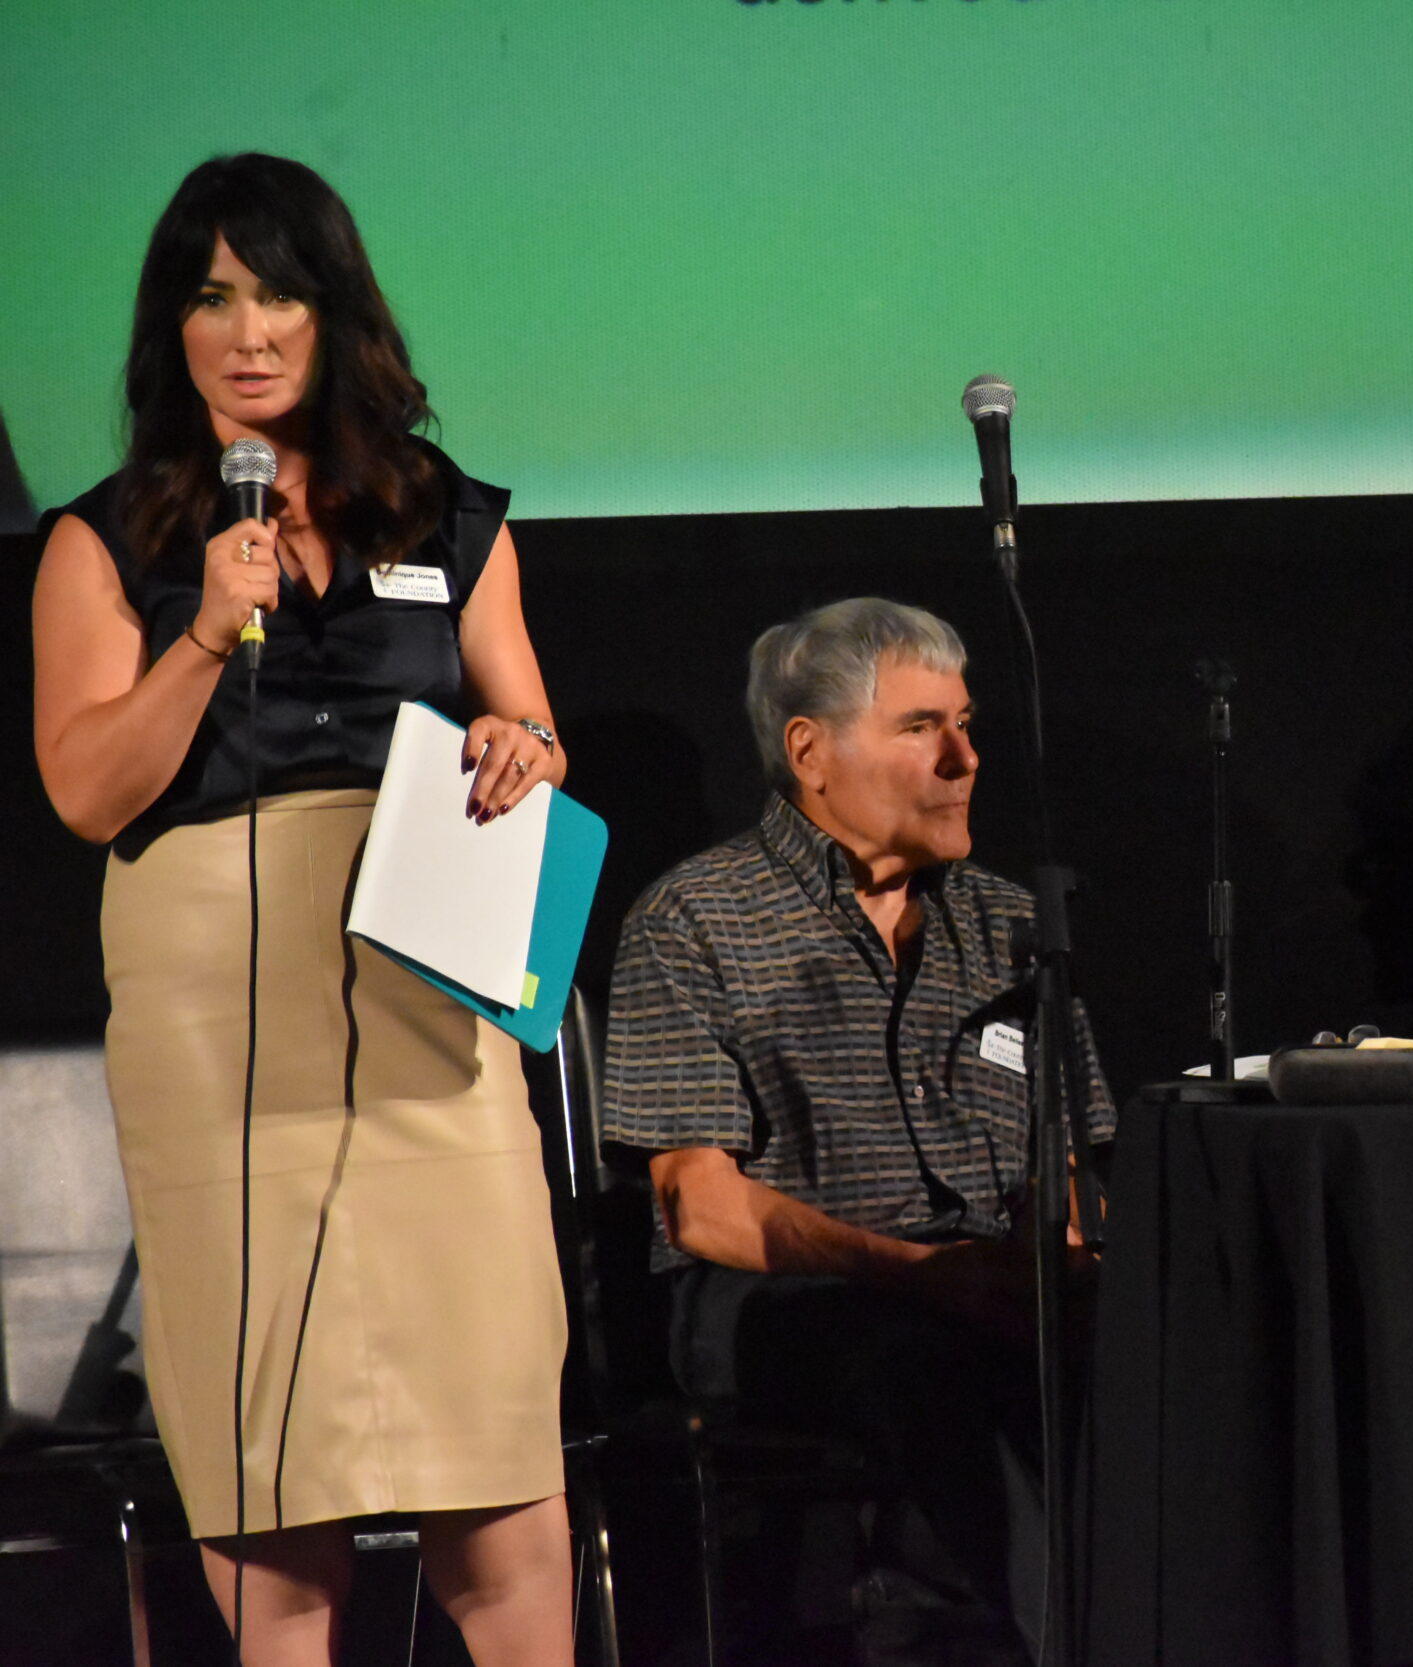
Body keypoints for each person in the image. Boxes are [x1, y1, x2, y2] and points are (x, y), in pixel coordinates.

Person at [29, 154, 572, 1665]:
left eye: (278, 291)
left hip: (424, 992)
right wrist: (204, 633)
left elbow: (532, 723)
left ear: (334, 316)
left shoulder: (446, 515)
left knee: (501, 1479)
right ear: (170, 328)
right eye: (213, 296)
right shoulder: (102, 541)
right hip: (219, 1009)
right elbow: (85, 789)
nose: (248, 328)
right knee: (274, 1474)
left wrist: (520, 749)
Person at [599, 596, 1115, 1660]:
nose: (965, 757)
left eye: (966, 723)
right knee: (919, 1359)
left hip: (979, 1281)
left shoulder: (1013, 923)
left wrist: (1060, 1261)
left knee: (1164, 1342)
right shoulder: (696, 918)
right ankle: (1091, 1643)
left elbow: (1067, 1165)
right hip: (773, 1299)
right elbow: (700, 1209)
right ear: (810, 751)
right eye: (922, 727)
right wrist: (926, 1274)